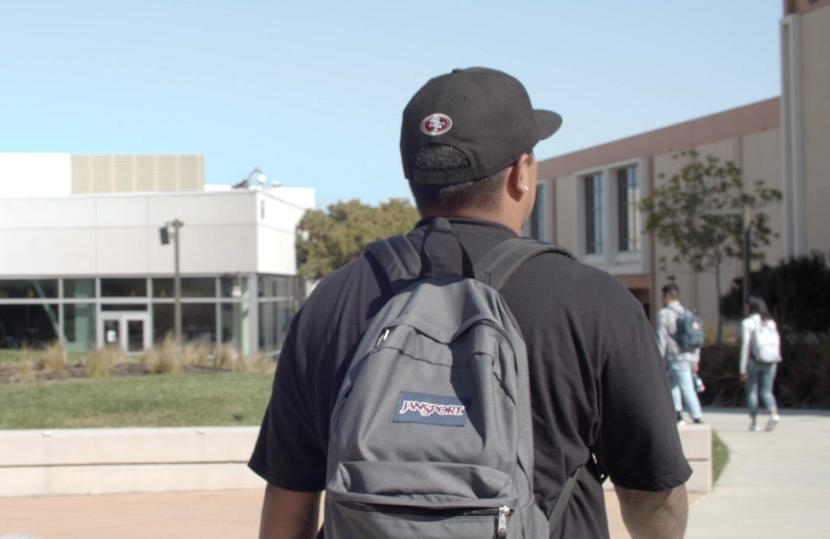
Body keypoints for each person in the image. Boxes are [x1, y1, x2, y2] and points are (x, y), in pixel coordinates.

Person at [249, 67, 690, 538]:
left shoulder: (331, 302)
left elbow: (289, 506)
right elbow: (653, 497)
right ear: (521, 174)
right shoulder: (594, 304)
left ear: (413, 176)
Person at [655, 283, 704, 426]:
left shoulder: (664, 314)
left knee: (685, 386)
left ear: (667, 296)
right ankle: (677, 414)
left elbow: (661, 338)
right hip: (689, 356)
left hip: (675, 357)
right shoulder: (688, 314)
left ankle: (696, 414)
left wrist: (658, 358)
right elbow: (697, 338)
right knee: (673, 385)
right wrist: (696, 360)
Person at [739, 296, 781, 432]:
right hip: (771, 360)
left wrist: (742, 368)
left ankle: (754, 422)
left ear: (751, 308)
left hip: (754, 361)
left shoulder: (747, 323)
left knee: (752, 390)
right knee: (767, 391)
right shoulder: (770, 322)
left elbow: (745, 346)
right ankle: (773, 413)